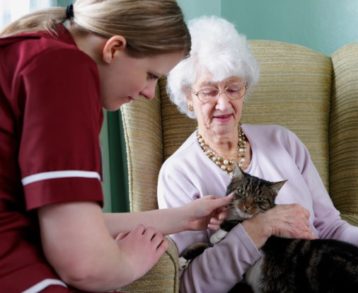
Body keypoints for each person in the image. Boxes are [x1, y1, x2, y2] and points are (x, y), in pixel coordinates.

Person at [157, 16, 358, 293]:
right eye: (208, 91)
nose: (223, 103)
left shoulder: (283, 142)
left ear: (245, 90)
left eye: (233, 88)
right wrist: (259, 227)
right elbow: (190, 284)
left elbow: (328, 225)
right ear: (188, 97)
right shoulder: (178, 172)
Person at [0, 2, 233, 292]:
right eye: (151, 75)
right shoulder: (64, 70)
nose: (150, 94)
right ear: (114, 48)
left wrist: (182, 217)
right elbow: (84, 266)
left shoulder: (34, 53)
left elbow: (69, 227)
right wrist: (128, 264)